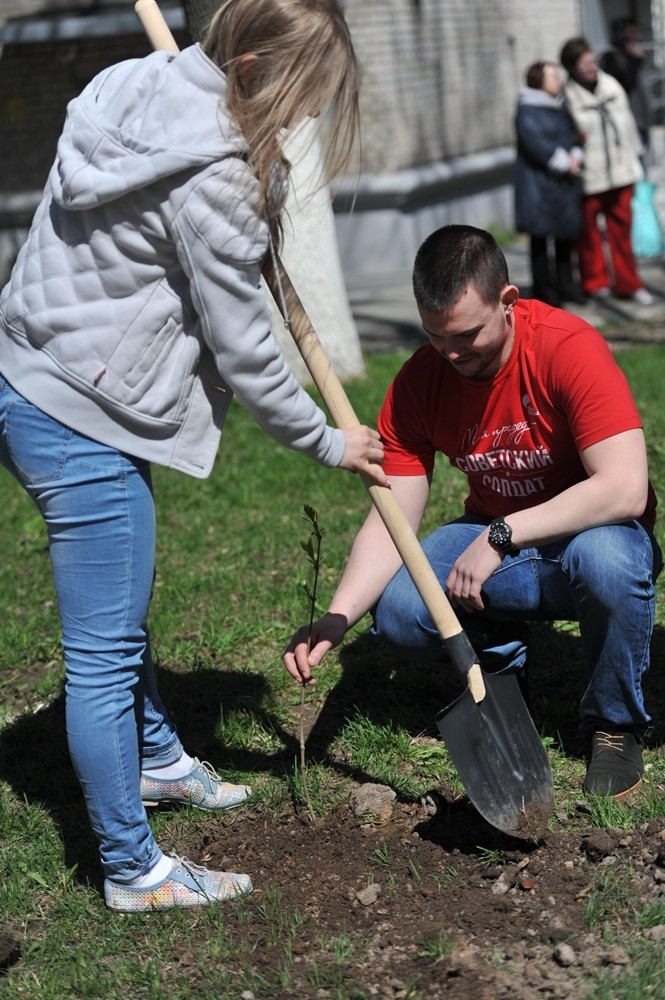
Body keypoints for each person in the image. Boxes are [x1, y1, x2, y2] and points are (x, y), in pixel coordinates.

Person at [0, 0, 387, 913]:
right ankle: (134, 872)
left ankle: (160, 760)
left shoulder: (127, 84)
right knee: (100, 651)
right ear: (254, 69)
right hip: (79, 413)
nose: (300, 117)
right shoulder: (215, 180)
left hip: (30, 367)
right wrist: (328, 440)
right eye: (299, 97)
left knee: (118, 613)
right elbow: (249, 349)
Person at [284, 224, 661, 805]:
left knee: (610, 564)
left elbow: (625, 488)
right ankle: (502, 670)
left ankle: (614, 724)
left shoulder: (567, 346)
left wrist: (502, 535)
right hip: (500, 543)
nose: (452, 354)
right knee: (404, 608)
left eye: (466, 335)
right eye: (436, 338)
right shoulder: (421, 381)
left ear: (507, 301)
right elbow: (394, 519)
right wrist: (337, 618)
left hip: (590, 535)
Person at [560, 37, 652, 304]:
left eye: (593, 61)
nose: (592, 67)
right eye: (585, 64)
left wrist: (636, 162)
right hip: (590, 177)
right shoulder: (568, 96)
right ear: (572, 68)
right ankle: (595, 283)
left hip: (621, 173)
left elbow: (628, 125)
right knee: (588, 235)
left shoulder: (611, 85)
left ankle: (629, 284)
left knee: (622, 232)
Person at [514, 60, 585, 307]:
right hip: (538, 187)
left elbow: (576, 133)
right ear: (538, 81)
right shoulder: (527, 109)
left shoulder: (559, 105)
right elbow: (536, 144)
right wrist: (565, 162)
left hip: (564, 186)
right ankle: (544, 291)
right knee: (541, 240)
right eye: (553, 76)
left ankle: (567, 285)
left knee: (566, 237)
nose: (559, 81)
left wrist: (577, 152)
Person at [600, 17, 652, 167]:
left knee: (643, 161)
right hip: (628, 121)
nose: (637, 38)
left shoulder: (629, 57)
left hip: (641, 120)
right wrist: (635, 60)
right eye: (631, 34)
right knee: (636, 165)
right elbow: (623, 86)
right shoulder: (610, 58)